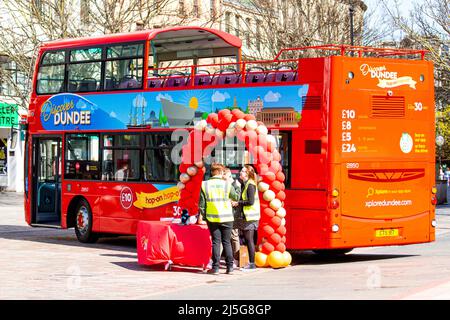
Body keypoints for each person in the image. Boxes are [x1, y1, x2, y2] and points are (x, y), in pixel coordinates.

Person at [199, 163, 239, 275]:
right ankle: (230, 268)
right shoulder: (227, 184)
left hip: (212, 218)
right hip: (227, 218)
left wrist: (205, 216)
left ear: (212, 172)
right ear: (221, 172)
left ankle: (215, 268)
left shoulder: (204, 184)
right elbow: (235, 197)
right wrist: (234, 184)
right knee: (227, 242)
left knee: (216, 242)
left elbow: (202, 204)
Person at [231, 165, 260, 271]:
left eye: (243, 171)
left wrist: (237, 203)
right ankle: (251, 263)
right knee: (248, 240)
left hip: (250, 217)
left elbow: (250, 202)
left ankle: (252, 264)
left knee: (249, 240)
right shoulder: (246, 184)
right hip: (247, 217)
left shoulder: (250, 185)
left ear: (248, 173)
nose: (240, 173)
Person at [223, 167, 242, 267]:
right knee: (224, 238)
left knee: (234, 236)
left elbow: (237, 198)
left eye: (231, 176)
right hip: (224, 214)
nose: (231, 178)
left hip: (232, 214)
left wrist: (237, 187)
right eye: (229, 176)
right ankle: (216, 260)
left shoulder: (234, 184)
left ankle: (236, 259)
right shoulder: (223, 185)